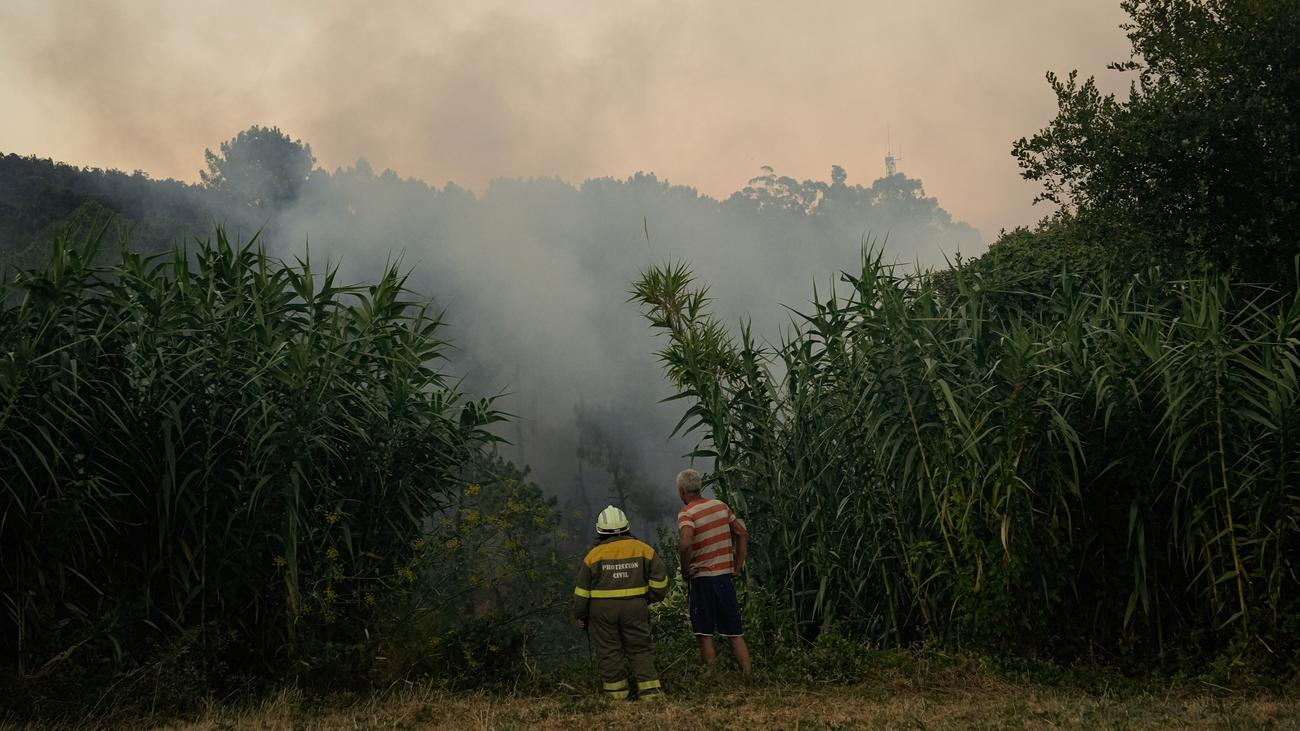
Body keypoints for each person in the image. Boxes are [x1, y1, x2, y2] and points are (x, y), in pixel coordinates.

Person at [572, 505, 669, 700]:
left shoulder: (593, 556)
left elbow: (581, 593)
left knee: (609, 652)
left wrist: (581, 616)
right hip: (635, 608)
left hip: (602, 612)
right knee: (640, 649)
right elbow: (660, 582)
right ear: (626, 527)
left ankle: (617, 698)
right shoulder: (644, 550)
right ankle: (652, 695)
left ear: (600, 531)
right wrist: (646, 599)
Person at [676, 468, 751, 672]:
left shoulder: (686, 513)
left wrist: (685, 569)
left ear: (682, 491)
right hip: (724, 579)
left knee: (704, 634)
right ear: (699, 487)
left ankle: (712, 679)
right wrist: (737, 566)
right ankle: (748, 675)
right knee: (734, 633)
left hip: (702, 580)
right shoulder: (721, 506)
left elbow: (685, 543)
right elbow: (742, 533)